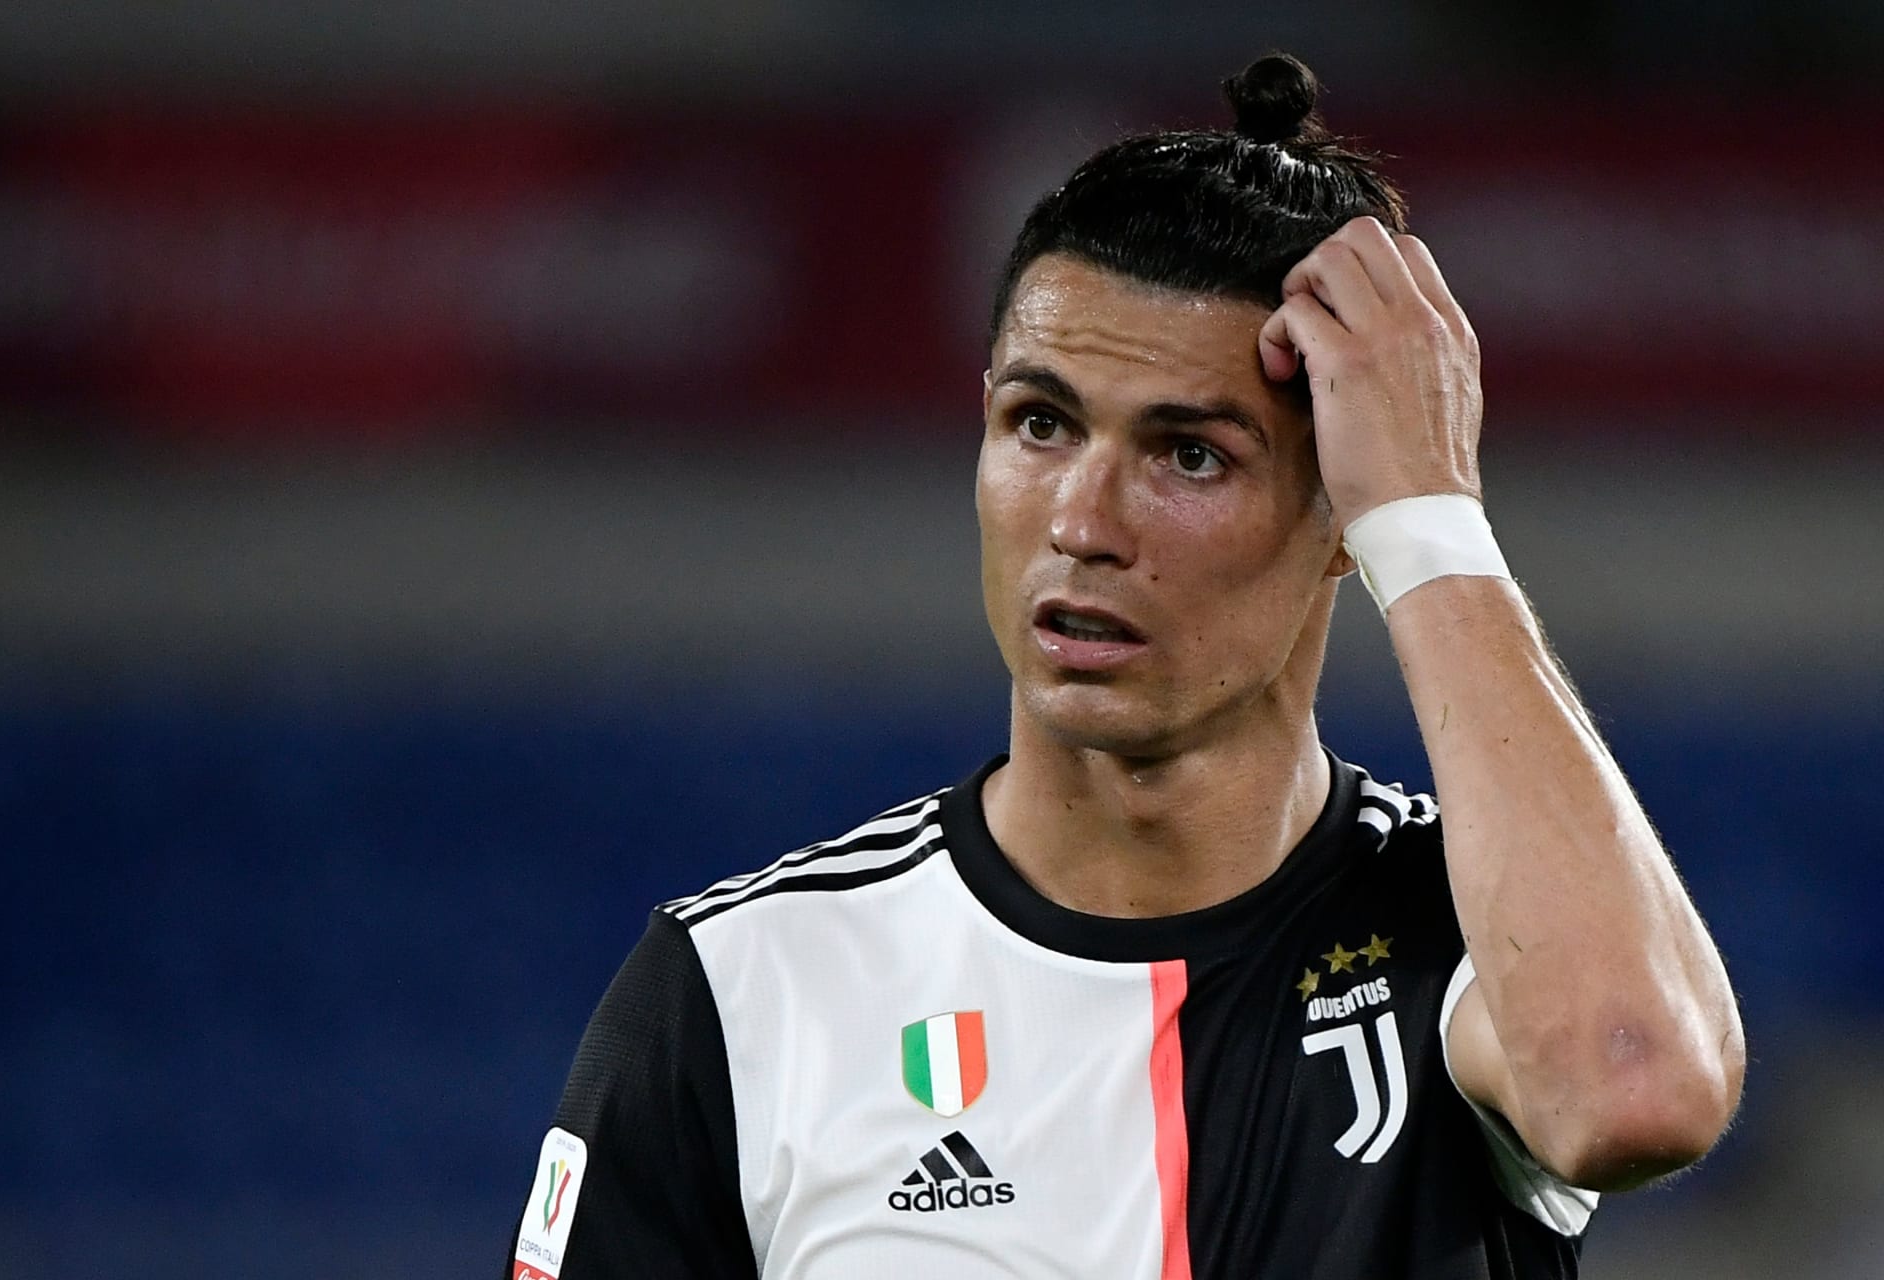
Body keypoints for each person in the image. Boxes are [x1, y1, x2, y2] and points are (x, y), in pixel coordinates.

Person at [504, 52, 1744, 1280]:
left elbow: (1635, 1088)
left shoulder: (1476, 941)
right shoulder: (740, 993)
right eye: (1040, 423)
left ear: (1339, 519)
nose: (1082, 521)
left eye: (1189, 454)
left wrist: (1427, 517)